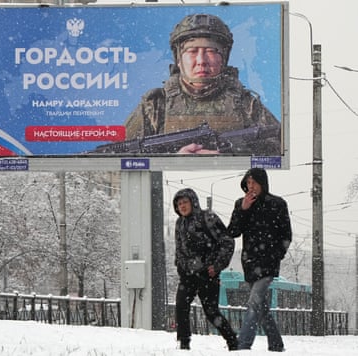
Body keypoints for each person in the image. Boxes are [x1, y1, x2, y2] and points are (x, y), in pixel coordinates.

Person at [124, 14, 281, 155]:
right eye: (192, 51)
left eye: (211, 51)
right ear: (179, 59)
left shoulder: (246, 104)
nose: (201, 61)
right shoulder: (155, 105)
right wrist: (174, 160)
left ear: (224, 58)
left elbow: (279, 146)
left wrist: (230, 153)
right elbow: (121, 158)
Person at [227, 168, 292, 352]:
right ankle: (276, 343)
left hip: (268, 263)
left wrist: (277, 254)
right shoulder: (241, 204)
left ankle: (242, 345)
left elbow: (286, 234)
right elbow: (232, 231)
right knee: (260, 305)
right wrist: (243, 210)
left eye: (254, 182)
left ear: (262, 183)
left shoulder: (277, 204)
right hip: (249, 263)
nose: (250, 186)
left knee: (254, 302)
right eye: (248, 183)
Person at [173, 188, 237, 351]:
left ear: (193, 202)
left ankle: (232, 342)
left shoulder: (207, 218)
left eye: (185, 202)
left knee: (211, 312)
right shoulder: (179, 223)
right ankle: (184, 343)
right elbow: (179, 248)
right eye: (179, 204)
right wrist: (180, 266)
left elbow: (227, 241)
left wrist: (216, 266)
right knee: (181, 305)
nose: (182, 206)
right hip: (187, 275)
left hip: (207, 274)